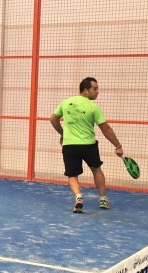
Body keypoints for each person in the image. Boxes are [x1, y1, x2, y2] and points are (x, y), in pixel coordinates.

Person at [49, 77, 124, 213]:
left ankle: (78, 198)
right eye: (94, 89)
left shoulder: (66, 103)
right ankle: (103, 199)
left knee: (72, 175)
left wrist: (63, 134)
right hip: (89, 146)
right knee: (97, 170)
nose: (97, 92)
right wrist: (118, 146)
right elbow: (105, 129)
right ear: (85, 90)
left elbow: (53, 119)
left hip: (70, 146)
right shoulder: (93, 107)